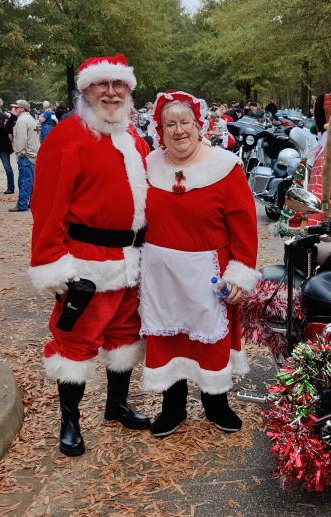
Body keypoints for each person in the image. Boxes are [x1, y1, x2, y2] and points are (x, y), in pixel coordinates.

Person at [29, 54, 151, 456]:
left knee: (124, 337)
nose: (112, 92)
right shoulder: (68, 137)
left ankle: (115, 406)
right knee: (76, 343)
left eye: (120, 85)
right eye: (103, 84)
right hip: (87, 263)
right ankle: (70, 421)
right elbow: (47, 206)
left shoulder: (135, 138)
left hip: (131, 261)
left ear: (130, 92)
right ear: (85, 90)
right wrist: (54, 265)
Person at [140, 90, 259, 437]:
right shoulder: (149, 166)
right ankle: (172, 407)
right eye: (170, 124)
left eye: (185, 122)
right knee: (169, 337)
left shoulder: (224, 167)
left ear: (199, 125)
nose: (179, 130)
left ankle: (216, 404)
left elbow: (245, 226)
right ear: (159, 130)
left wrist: (240, 270)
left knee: (210, 340)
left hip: (208, 268)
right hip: (161, 273)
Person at [9, 99, 39, 212]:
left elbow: (21, 139)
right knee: (31, 181)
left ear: (22, 108)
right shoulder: (31, 118)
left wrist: (19, 152)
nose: (14, 109)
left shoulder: (22, 120)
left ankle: (22, 204)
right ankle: (32, 202)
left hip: (26, 155)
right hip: (33, 153)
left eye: (16, 107)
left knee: (25, 181)